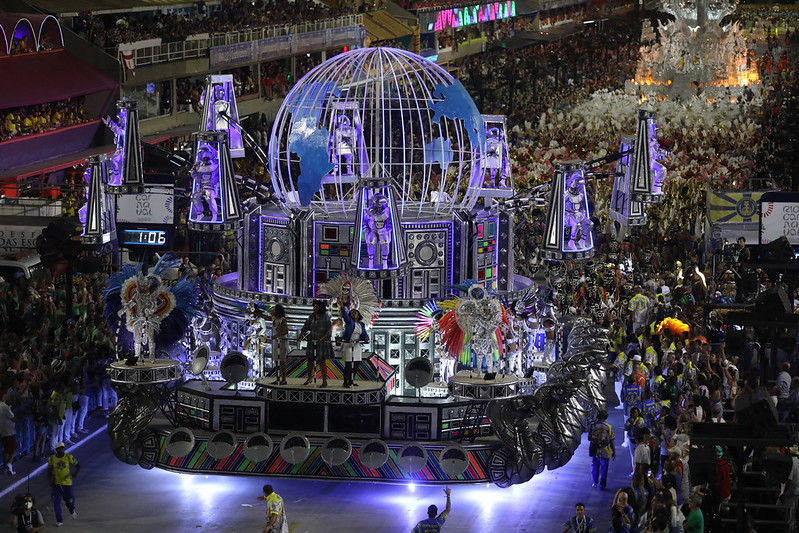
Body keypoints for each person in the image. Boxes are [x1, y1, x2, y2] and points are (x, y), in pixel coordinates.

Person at [300, 300, 332, 388]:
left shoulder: (325, 317)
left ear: (321, 307)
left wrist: (322, 338)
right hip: (312, 340)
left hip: (322, 341)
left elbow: (329, 330)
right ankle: (309, 378)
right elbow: (306, 326)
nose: (314, 308)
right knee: (310, 359)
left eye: (316, 307)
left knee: (322, 361)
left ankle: (324, 381)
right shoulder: (312, 316)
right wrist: (301, 334)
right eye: (314, 307)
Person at [48, 442, 79, 527]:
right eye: (60, 448)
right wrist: (50, 481)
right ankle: (59, 520)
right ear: (56, 449)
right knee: (56, 503)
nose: (61, 450)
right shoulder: (52, 459)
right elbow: (49, 470)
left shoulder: (69, 457)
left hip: (67, 483)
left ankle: (72, 510)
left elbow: (78, 465)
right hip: (57, 484)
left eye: (63, 448)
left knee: (69, 500)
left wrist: (75, 473)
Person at [340, 301, 369, 388]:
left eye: (355, 312)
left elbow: (364, 333)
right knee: (348, 365)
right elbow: (345, 315)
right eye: (351, 312)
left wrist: (366, 338)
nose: (353, 313)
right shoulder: (349, 322)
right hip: (348, 345)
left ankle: (351, 381)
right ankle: (345, 382)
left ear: (358, 315)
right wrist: (342, 307)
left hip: (357, 346)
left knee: (357, 364)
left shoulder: (361, 324)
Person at [589, 410, 615, 490]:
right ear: (606, 417)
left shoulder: (593, 426)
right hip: (605, 450)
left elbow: (589, 438)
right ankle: (602, 485)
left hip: (595, 450)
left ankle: (594, 482)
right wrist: (614, 451)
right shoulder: (609, 427)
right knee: (604, 468)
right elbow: (611, 440)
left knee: (595, 466)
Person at [270, 304, 289, 385]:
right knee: (276, 361)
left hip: (282, 342)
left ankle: (284, 379)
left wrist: (276, 336)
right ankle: (277, 378)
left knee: (282, 361)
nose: (273, 311)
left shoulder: (283, 320)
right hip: (275, 342)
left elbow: (286, 331)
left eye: (274, 310)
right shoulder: (274, 319)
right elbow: (264, 316)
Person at [0, 391, 17, 475]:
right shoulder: (4, 407)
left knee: (6, 449)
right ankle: (8, 465)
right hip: (9, 430)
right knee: (13, 448)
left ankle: (6, 467)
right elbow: (13, 417)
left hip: (2, 430)